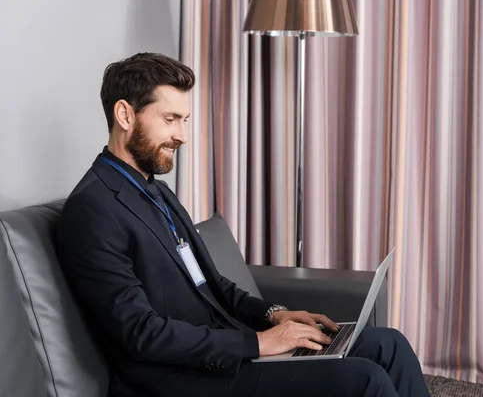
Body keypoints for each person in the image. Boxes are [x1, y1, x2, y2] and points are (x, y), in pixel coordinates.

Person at [56, 52, 430, 397]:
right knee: (365, 379)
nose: (182, 135)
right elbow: (139, 333)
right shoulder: (93, 209)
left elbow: (213, 287)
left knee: (388, 345)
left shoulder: (158, 193)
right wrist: (260, 344)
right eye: (170, 120)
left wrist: (273, 315)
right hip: (182, 379)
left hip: (229, 349)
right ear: (125, 115)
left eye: (184, 120)